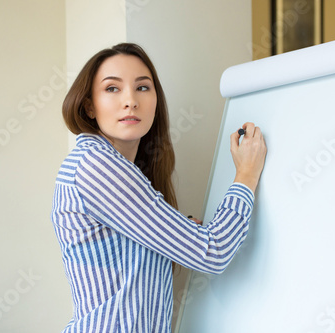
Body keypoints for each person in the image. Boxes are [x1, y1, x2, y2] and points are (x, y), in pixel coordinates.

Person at [50, 42, 267, 333]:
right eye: (112, 88)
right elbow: (213, 252)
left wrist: (178, 229)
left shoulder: (117, 167)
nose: (130, 100)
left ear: (155, 99)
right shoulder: (97, 165)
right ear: (89, 105)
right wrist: (247, 175)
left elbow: (122, 256)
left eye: (142, 87)